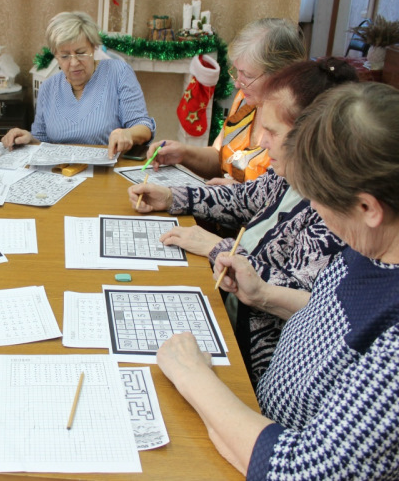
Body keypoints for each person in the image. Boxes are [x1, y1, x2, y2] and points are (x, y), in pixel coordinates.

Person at [157, 82, 399, 479]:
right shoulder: (371, 248)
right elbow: (327, 315)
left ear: (368, 207)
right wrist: (264, 295)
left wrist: (192, 377)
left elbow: (302, 470)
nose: (312, 208)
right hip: (255, 418)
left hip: (268, 449)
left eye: (318, 198)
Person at [130, 57, 358, 383]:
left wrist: (218, 248)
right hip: (224, 313)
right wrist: (171, 197)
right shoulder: (288, 174)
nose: (262, 142)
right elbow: (241, 199)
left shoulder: (334, 212)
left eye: (272, 132)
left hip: (256, 361)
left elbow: (305, 301)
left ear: (312, 135)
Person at [146, 18, 305, 183]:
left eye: (247, 75)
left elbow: (284, 192)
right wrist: (183, 154)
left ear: (281, 75)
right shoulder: (245, 100)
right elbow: (220, 158)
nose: (237, 84)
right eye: (237, 72)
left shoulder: (294, 121)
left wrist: (237, 191)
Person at [1, 11, 155, 158]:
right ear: (56, 56)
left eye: (81, 53)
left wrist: (128, 133)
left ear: (93, 48)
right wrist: (27, 138)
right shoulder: (48, 88)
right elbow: (42, 140)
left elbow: (143, 127)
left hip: (107, 169)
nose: (74, 62)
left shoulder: (118, 72)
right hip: (61, 170)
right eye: (65, 56)